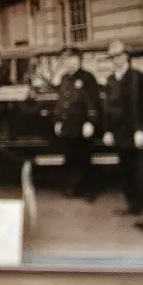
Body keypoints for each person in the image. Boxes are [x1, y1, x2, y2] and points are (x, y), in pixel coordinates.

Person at [102, 40, 143, 233]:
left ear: (126, 56)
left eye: (119, 56)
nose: (116, 60)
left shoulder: (137, 77)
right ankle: (132, 205)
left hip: (135, 133)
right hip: (119, 133)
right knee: (125, 170)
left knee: (139, 172)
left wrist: (142, 130)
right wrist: (107, 130)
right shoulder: (111, 80)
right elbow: (107, 109)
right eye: (113, 57)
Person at [53, 46, 101, 199]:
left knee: (84, 158)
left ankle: (89, 191)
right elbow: (61, 103)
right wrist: (58, 121)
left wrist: (90, 122)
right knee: (70, 157)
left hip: (82, 124)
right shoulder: (65, 78)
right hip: (68, 124)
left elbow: (93, 102)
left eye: (73, 59)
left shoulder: (88, 78)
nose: (69, 62)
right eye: (66, 59)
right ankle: (73, 188)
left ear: (79, 60)